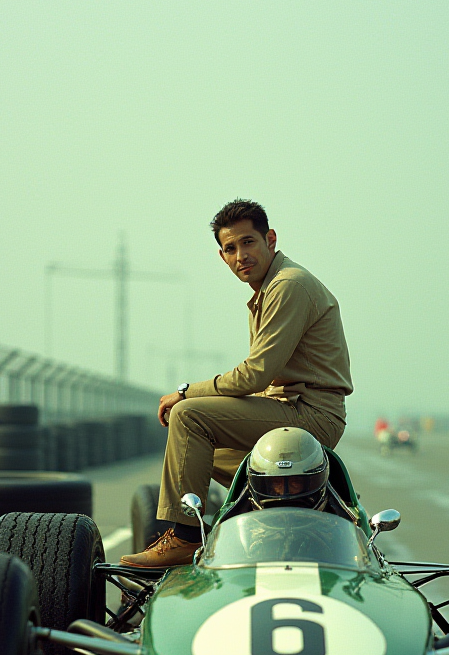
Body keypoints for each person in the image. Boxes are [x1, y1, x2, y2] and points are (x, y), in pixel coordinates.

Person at [120, 199, 353, 568]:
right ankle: (267, 524)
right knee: (198, 457)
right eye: (230, 248)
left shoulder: (288, 285)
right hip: (292, 411)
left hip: (309, 415)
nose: (240, 255)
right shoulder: (267, 289)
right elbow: (263, 381)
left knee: (189, 416)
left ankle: (183, 537)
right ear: (222, 256)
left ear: (270, 239)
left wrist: (185, 392)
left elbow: (254, 375)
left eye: (248, 242)